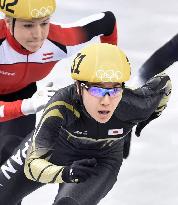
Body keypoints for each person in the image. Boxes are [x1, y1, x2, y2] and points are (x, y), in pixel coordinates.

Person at [0, 43, 171, 204]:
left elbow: (164, 83)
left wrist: (151, 115)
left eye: (115, 89)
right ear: (78, 87)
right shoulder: (62, 105)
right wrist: (65, 173)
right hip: (57, 147)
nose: (106, 101)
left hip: (100, 159)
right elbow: (32, 166)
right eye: (97, 90)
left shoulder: (135, 104)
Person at [0, 0, 118, 165]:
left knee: (10, 159)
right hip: (22, 101)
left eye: (44, 23)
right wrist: (26, 106)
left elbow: (107, 21)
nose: (38, 35)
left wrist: (109, 78)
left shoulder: (62, 40)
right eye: (28, 26)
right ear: (7, 22)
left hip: (22, 92)